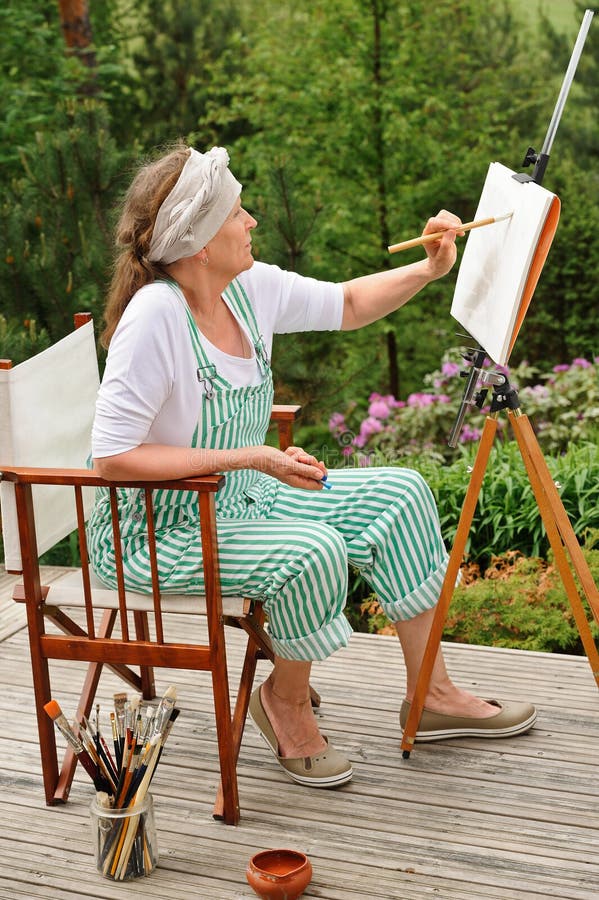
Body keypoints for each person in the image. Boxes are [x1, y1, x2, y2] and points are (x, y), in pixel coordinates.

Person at [89, 143, 536, 789]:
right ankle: (285, 703)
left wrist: (429, 269)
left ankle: (431, 694)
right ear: (199, 243)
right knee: (313, 548)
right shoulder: (155, 316)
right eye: (238, 214)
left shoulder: (247, 289)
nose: (253, 223)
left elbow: (348, 304)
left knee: (400, 494)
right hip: (160, 532)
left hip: (243, 498)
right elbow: (114, 458)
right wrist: (252, 454)